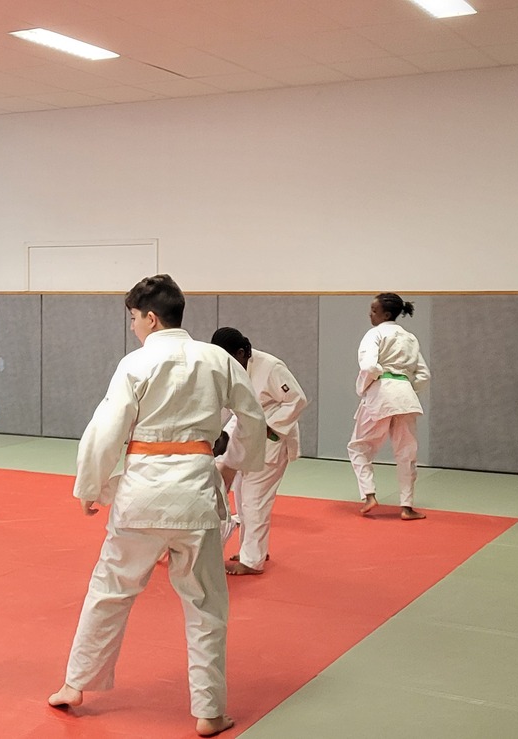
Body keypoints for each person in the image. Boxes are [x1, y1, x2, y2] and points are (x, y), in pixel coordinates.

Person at [48, 274, 264, 738]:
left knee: (109, 591)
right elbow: (252, 416)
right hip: (196, 495)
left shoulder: (136, 363)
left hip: (141, 494)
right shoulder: (218, 359)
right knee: (205, 604)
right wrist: (241, 463)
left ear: (150, 317)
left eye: (133, 318)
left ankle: (74, 684)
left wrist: (90, 487)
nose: (132, 327)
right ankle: (209, 711)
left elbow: (106, 429)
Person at [208, 327, 308, 575]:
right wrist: (213, 434)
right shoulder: (227, 369)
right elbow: (222, 405)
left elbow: (297, 400)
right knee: (242, 497)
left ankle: (252, 561)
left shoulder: (271, 367)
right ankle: (252, 550)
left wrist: (269, 428)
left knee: (255, 500)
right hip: (244, 432)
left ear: (241, 353)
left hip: (271, 438)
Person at [346, 293, 431, 521]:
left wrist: (364, 388)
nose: (370, 314)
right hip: (405, 396)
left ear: (386, 315)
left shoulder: (374, 334)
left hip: (380, 393)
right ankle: (407, 506)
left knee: (359, 447)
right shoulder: (410, 338)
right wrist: (406, 388)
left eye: (374, 311)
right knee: (406, 453)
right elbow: (424, 375)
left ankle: (369, 495)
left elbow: (369, 367)